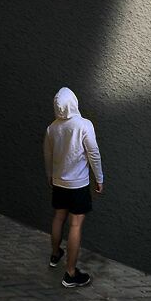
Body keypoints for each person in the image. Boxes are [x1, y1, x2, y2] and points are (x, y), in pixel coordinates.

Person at [43, 87, 104, 287]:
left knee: (58, 217)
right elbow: (93, 153)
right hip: (78, 184)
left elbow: (48, 155)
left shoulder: (52, 128)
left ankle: (55, 255)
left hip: (59, 182)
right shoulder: (84, 125)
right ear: (74, 102)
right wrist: (99, 178)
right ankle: (70, 273)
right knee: (75, 225)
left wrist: (50, 175)